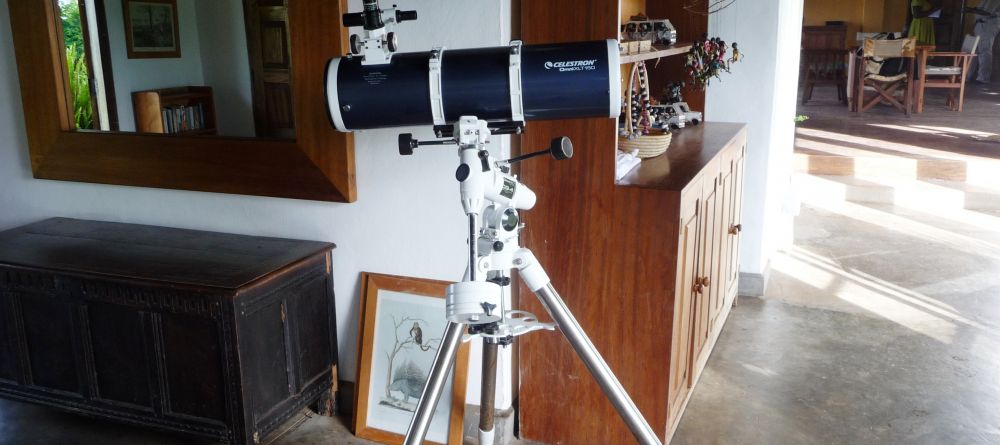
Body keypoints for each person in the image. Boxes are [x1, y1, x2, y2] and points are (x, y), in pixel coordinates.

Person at [970, 0, 1000, 82]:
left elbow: (987, 12)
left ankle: (983, 78)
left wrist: (970, 10)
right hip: (981, 24)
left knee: (985, 50)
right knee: (974, 51)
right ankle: (968, 76)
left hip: (988, 24)